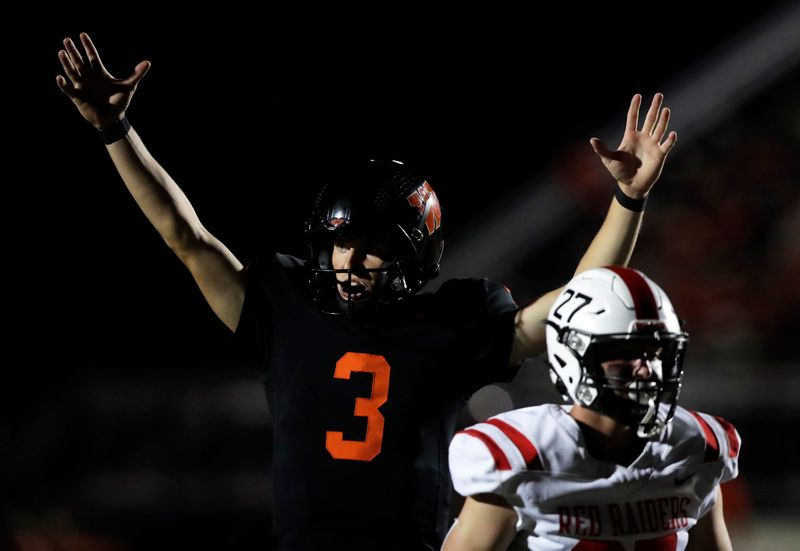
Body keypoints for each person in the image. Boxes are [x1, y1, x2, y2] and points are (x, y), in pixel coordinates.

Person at [56, 32, 678, 551]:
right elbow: (184, 236)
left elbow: (583, 301)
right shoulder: (286, 304)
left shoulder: (454, 321)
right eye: (341, 243)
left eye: (373, 245)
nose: (351, 259)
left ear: (414, 257)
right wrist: (116, 130)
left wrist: (628, 200)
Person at [445, 266, 740, 551]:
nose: (647, 370)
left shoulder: (697, 449)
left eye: (657, 353)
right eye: (627, 353)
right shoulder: (521, 457)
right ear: (573, 356)